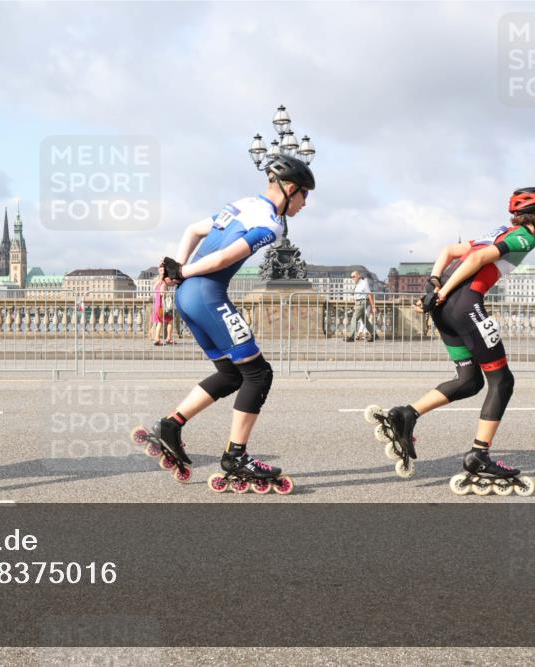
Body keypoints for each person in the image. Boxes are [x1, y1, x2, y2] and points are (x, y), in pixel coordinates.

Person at [373, 187, 535, 495]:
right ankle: (479, 455)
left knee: (470, 381)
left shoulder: (498, 231)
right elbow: (480, 259)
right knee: (502, 381)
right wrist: (441, 291)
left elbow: (448, 250)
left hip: (446, 313)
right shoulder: (523, 237)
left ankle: (405, 414)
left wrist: (435, 284)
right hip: (465, 306)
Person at [153, 155, 315, 493]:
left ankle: (171, 425)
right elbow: (226, 257)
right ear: (290, 189)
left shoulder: (242, 204)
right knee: (259, 374)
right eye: (304, 195)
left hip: (187, 297)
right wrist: (182, 271)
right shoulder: (272, 223)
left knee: (230, 374)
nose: (305, 204)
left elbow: (193, 230)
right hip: (207, 293)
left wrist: (177, 269)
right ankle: (236, 457)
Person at [345, 270, 376, 342]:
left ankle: (352, 337)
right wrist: (355, 304)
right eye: (351, 277)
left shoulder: (364, 283)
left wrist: (373, 307)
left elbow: (370, 294)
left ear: (358, 276)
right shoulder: (357, 284)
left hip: (362, 302)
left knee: (353, 319)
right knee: (365, 320)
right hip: (358, 303)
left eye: (353, 276)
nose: (352, 278)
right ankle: (374, 334)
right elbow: (356, 296)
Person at [150, 266, 174, 345]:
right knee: (170, 321)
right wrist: (169, 293)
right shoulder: (163, 282)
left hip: (157, 305)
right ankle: (168, 338)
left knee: (159, 322)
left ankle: (157, 339)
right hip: (163, 306)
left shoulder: (156, 282)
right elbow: (162, 293)